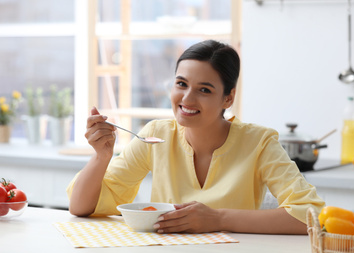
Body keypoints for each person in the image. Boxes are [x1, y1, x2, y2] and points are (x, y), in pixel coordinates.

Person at [67, 39, 325, 234]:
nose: (187, 99)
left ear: (228, 98)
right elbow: (80, 207)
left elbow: (312, 215)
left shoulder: (258, 143)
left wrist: (219, 219)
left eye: (204, 89)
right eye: (181, 84)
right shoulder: (155, 135)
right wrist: (101, 157)